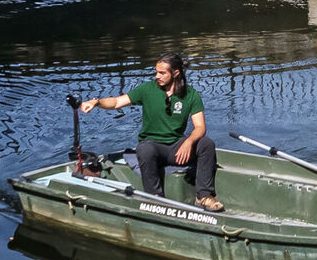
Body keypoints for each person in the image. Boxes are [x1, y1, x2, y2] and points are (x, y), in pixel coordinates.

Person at [80, 53, 223, 212]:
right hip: (154, 147)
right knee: (144, 148)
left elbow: (200, 127)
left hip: (177, 147)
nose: (157, 76)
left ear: (175, 73)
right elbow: (117, 102)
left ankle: (204, 196)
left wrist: (189, 142)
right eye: (156, 72)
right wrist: (97, 102)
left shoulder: (191, 95)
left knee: (206, 144)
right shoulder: (147, 89)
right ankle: (155, 198)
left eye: (162, 73)